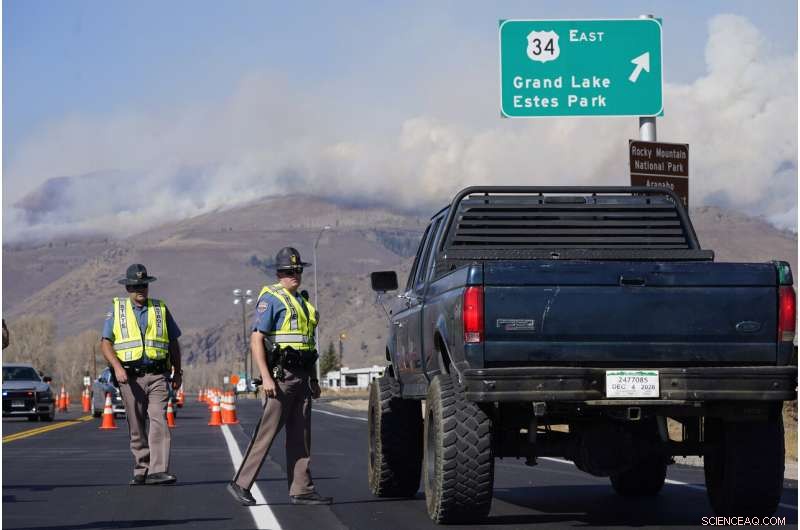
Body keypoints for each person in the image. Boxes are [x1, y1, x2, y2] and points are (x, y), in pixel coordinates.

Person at [227, 247, 332, 506]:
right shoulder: (271, 298)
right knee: (267, 433)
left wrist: (314, 379)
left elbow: (307, 345)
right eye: (288, 271)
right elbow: (256, 339)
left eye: (297, 270)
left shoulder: (303, 303)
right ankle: (240, 484)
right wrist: (266, 378)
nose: (293, 275)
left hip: (303, 376)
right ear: (278, 273)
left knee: (301, 436)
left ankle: (302, 489)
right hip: (281, 376)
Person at [100, 264, 182, 486]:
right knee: (136, 423)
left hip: (157, 376)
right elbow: (106, 344)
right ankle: (141, 467)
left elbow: (173, 342)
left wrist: (177, 371)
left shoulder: (160, 309)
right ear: (128, 287)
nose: (140, 289)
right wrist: (117, 368)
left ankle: (158, 470)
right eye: (135, 286)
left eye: (143, 285)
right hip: (130, 377)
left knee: (158, 418)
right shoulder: (117, 310)